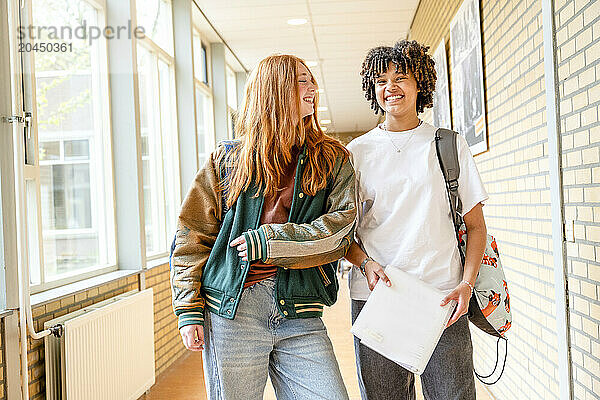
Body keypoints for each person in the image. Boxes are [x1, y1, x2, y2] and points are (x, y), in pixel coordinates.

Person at [170, 54, 355, 400]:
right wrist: (188, 308)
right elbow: (191, 237)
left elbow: (340, 231)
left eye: (311, 79)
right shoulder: (226, 160)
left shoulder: (333, 157)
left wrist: (270, 241)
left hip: (300, 308)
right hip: (232, 310)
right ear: (275, 90)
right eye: (302, 80)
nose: (313, 87)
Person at [345, 40, 489, 400]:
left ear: (420, 84)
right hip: (378, 296)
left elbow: (475, 227)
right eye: (380, 80)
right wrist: (365, 264)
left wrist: (467, 285)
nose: (390, 87)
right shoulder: (356, 153)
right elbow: (342, 234)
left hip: (443, 297)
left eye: (401, 77)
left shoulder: (448, 144)